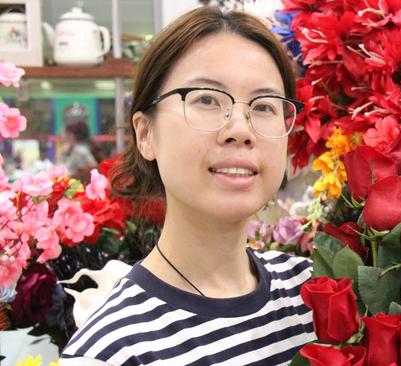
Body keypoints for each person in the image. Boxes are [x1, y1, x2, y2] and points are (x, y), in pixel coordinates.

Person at [60, 7, 315, 365]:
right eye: (207, 100)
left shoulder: (314, 296)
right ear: (145, 134)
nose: (240, 130)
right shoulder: (111, 351)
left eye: (264, 105)